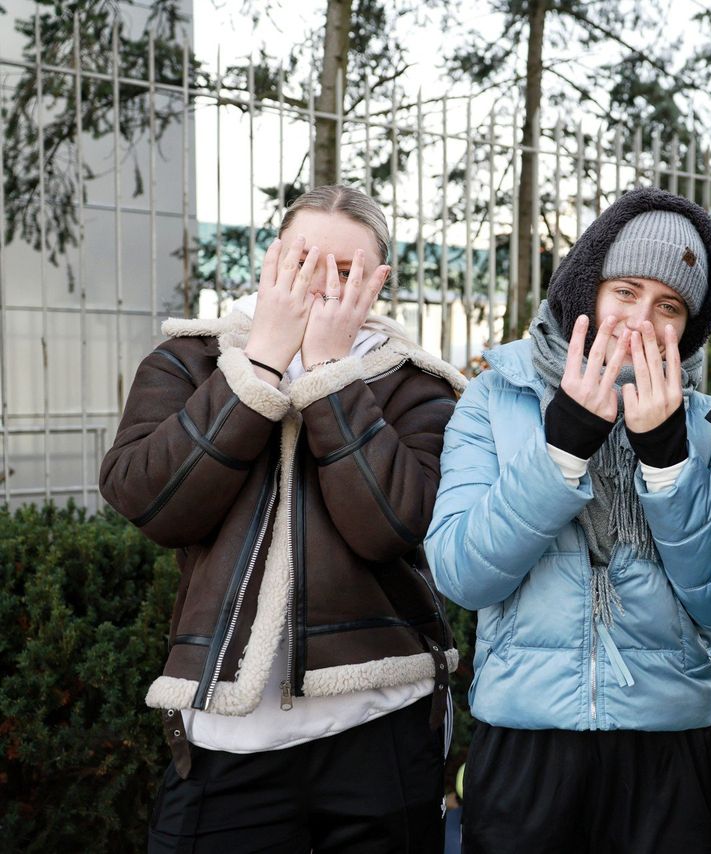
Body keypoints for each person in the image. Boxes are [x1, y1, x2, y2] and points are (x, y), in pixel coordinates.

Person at [100, 185, 466, 853]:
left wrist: (330, 374)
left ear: (378, 285)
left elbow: (390, 527)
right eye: (304, 259)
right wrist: (261, 364)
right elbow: (150, 502)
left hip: (379, 720)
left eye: (349, 272)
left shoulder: (417, 386)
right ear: (272, 261)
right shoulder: (191, 360)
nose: (323, 284)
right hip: (224, 733)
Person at [426, 186, 711, 853]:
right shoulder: (496, 396)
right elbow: (459, 573)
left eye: (670, 306)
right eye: (624, 291)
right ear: (586, 288)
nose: (641, 321)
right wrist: (561, 450)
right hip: (527, 742)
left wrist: (667, 464)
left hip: (674, 743)